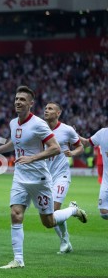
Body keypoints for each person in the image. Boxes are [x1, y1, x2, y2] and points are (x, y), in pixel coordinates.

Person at [0, 86, 87, 269]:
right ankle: (18, 260)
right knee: (15, 214)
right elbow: (13, 144)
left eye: (22, 99)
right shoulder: (13, 123)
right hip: (20, 177)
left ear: (31, 104)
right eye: (16, 99)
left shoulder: (39, 124)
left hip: (39, 179)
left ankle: (72, 210)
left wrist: (31, 158)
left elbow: (55, 148)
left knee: (49, 222)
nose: (18, 102)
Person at [43, 102, 85, 254]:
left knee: (52, 211)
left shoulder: (66, 130)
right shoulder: (40, 128)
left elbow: (80, 146)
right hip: (45, 177)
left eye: (50, 109)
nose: (46, 111)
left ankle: (73, 210)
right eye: (46, 108)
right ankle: (65, 241)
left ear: (58, 113)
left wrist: (73, 153)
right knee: (50, 214)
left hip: (62, 175)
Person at [80, 129, 108, 220]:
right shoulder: (102, 133)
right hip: (106, 180)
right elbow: (86, 143)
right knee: (104, 213)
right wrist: (73, 134)